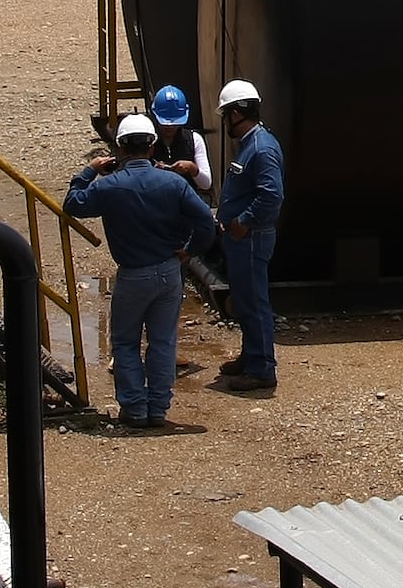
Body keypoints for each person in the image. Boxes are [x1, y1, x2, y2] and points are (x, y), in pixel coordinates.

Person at [64, 111, 217, 430]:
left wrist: (88, 171)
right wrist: (189, 250)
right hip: (169, 272)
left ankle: (134, 408)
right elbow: (205, 221)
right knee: (163, 342)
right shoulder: (173, 182)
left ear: (119, 147)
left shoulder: (109, 187)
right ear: (152, 146)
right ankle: (158, 408)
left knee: (125, 342)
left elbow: (73, 204)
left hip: (133, 274)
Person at [207, 80, 284, 395]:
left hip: (250, 239)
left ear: (238, 113)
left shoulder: (262, 148)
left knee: (253, 303)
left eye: (227, 114)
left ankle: (261, 368)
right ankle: (251, 355)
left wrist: (243, 222)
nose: (225, 121)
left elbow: (272, 195)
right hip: (242, 240)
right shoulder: (252, 144)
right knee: (245, 299)